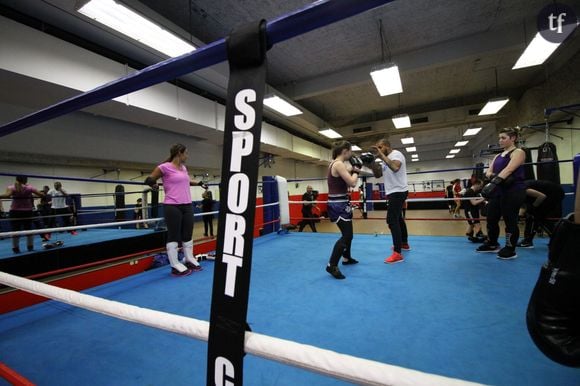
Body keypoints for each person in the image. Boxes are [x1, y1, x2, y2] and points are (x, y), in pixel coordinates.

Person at [145, 144, 206, 276]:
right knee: (174, 235)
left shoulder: (183, 168)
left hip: (187, 205)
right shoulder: (164, 167)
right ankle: (174, 265)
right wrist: (153, 184)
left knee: (187, 234)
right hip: (172, 205)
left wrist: (199, 183)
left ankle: (189, 258)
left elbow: (187, 181)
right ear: (179, 153)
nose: (187, 156)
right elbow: (149, 179)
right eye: (186, 153)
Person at [477, 127, 526, 259]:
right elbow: (488, 172)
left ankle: (510, 248)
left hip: (513, 191)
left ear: (513, 138)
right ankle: (492, 244)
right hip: (498, 191)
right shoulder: (498, 156)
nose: (500, 140)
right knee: (491, 218)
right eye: (499, 138)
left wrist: (494, 181)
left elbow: (510, 169)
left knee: (510, 220)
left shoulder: (518, 152)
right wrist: (497, 179)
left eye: (503, 138)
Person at [371, 138, 410, 264]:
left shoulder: (396, 154)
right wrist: (371, 163)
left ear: (387, 146)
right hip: (393, 192)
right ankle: (404, 243)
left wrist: (381, 156)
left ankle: (397, 253)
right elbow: (377, 175)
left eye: (380, 147)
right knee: (398, 218)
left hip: (398, 191)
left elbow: (395, 168)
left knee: (391, 220)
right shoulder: (385, 160)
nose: (379, 150)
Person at [325, 141, 360, 279]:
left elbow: (346, 179)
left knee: (348, 234)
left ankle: (346, 258)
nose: (351, 154)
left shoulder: (336, 164)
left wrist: (353, 170)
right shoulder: (338, 164)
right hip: (337, 204)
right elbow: (352, 182)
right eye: (350, 151)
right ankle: (331, 265)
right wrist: (356, 170)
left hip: (341, 203)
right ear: (345, 151)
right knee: (347, 236)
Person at [0, 176, 45, 253]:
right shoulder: (29, 187)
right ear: (25, 180)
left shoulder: (12, 187)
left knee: (15, 230)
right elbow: (42, 195)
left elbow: (7, 195)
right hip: (27, 211)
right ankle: (30, 247)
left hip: (15, 211)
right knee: (29, 230)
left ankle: (15, 248)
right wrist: (33, 195)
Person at [518, 179, 565, 248]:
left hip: (554, 194)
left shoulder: (523, 189)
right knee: (537, 216)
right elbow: (523, 206)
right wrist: (520, 215)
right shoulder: (520, 189)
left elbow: (542, 196)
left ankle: (527, 241)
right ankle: (557, 241)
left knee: (535, 216)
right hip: (552, 193)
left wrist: (533, 208)